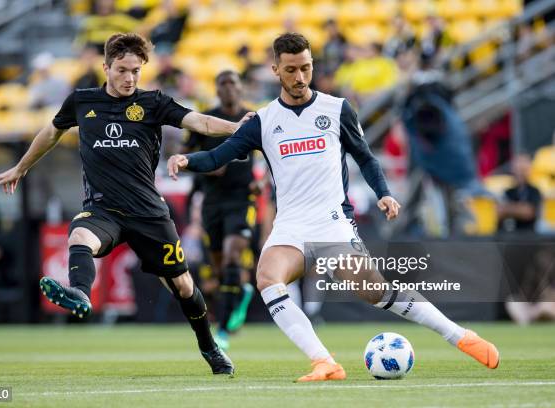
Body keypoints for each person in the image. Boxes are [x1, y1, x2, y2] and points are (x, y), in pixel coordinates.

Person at [168, 32, 500, 382]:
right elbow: (219, 155)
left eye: (306, 68)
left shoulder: (336, 108)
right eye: (292, 70)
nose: (300, 77)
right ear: (276, 70)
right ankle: (324, 362)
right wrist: (186, 160)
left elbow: (366, 158)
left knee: (377, 291)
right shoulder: (264, 121)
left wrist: (384, 192)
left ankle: (461, 336)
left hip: (332, 223)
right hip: (291, 225)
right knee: (267, 278)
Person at [0, 33, 251, 375]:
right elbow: (52, 132)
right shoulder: (82, 101)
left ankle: (210, 347)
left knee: (184, 286)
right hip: (103, 209)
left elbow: (199, 121)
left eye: (136, 71)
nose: (129, 78)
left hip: (148, 212)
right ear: (106, 67)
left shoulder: (153, 103)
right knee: (79, 236)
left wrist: (237, 127)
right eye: (122, 70)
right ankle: (81, 294)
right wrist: (20, 167)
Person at [183, 70, 257, 350]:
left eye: (232, 84)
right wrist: (201, 165)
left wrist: (261, 183)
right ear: (216, 89)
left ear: (241, 88)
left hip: (241, 199)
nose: (228, 89)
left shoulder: (253, 119)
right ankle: (239, 296)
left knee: (231, 257)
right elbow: (185, 152)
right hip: (212, 201)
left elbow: (271, 155)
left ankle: (223, 330)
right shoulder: (206, 121)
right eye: (223, 84)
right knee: (217, 270)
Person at [498, 154, 542, 232]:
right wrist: (519, 209)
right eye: (518, 169)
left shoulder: (535, 191)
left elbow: (528, 212)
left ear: (529, 170)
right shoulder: (508, 191)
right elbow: (499, 212)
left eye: (523, 170)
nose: (520, 173)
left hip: (530, 236)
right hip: (508, 237)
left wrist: (508, 209)